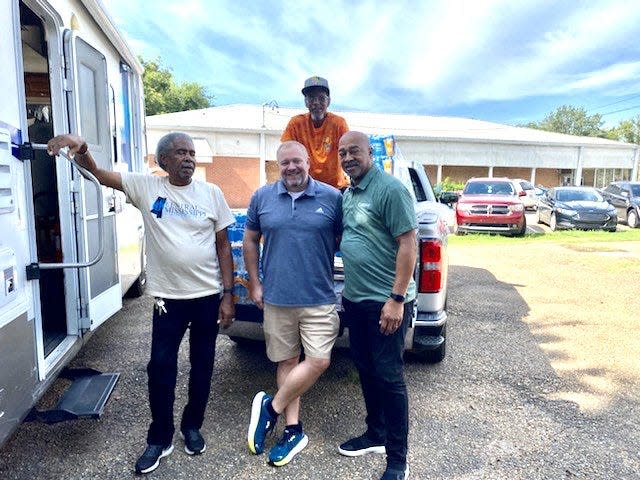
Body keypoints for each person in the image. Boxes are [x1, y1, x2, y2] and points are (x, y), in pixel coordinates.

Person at [46, 132, 235, 475]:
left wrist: (228, 294)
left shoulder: (212, 193)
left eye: (191, 153)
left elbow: (223, 245)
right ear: (164, 160)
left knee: (203, 365)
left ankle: (192, 426)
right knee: (160, 368)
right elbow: (99, 174)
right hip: (167, 299)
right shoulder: (147, 187)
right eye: (180, 152)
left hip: (207, 297)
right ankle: (160, 437)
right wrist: (83, 147)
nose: (188, 158)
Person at [244, 140, 342, 466]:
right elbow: (250, 239)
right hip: (277, 298)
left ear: (308, 162)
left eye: (296, 161)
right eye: (284, 163)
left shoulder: (331, 198)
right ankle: (292, 430)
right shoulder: (262, 197)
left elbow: (344, 240)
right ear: (278, 166)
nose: (291, 168)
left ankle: (270, 408)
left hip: (319, 298)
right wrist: (255, 283)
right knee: (286, 363)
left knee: (318, 361)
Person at [336, 131, 417, 480]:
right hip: (356, 300)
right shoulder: (349, 193)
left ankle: (398, 459)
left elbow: (408, 244)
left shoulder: (390, 189)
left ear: (370, 153)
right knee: (365, 368)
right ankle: (376, 433)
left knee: (389, 376)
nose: (347, 157)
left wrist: (396, 299)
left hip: (387, 302)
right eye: (342, 153)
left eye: (354, 151)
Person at [281, 76, 350, 190]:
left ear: (329, 101)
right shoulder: (296, 124)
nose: (316, 103)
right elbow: (287, 152)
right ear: (306, 102)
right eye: (311, 98)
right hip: (306, 188)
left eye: (321, 98)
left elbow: (347, 152)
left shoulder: (339, 124)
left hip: (335, 188)